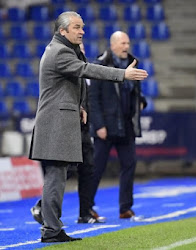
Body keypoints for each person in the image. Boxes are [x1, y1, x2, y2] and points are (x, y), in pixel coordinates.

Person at [28, 12, 148, 243]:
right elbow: (88, 71)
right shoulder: (59, 52)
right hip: (55, 124)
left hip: (61, 122)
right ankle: (51, 229)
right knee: (56, 176)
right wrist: (123, 74)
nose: (82, 31)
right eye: (76, 27)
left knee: (60, 175)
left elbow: (76, 80)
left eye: (82, 27)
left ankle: (51, 226)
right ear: (62, 31)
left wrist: (81, 105)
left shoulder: (66, 51)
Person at [30, 43, 105, 226]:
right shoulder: (66, 66)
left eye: (84, 49)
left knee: (88, 169)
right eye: (78, 49)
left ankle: (85, 212)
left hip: (84, 128)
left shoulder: (85, 70)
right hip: (66, 128)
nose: (82, 52)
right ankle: (44, 207)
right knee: (66, 170)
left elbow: (90, 99)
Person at [88, 31, 147, 219]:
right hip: (106, 125)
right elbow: (93, 98)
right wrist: (98, 125)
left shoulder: (133, 63)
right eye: (122, 43)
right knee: (96, 167)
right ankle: (86, 207)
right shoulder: (100, 64)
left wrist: (141, 102)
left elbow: (136, 92)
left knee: (129, 164)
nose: (126, 47)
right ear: (112, 45)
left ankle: (125, 208)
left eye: (128, 43)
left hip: (126, 124)